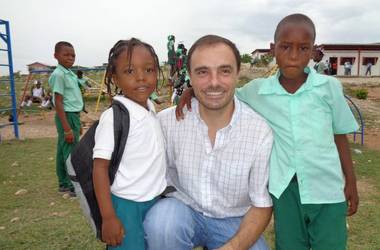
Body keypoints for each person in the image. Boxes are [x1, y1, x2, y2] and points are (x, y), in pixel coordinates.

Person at [177, 14, 359, 250]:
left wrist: (351, 182)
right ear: (273, 49)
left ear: (313, 51)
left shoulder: (329, 88)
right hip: (285, 191)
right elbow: (222, 92)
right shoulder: (257, 91)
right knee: (290, 245)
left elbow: (339, 135)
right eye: (285, 47)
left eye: (303, 48)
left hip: (327, 188)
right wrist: (192, 91)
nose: (294, 56)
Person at [144, 35, 273, 250]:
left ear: (237, 74)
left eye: (224, 71)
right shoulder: (166, 122)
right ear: (190, 77)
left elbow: (261, 204)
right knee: (162, 224)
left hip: (233, 220)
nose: (214, 82)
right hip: (182, 209)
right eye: (203, 72)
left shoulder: (259, 131)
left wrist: (231, 248)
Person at [92, 38, 167, 250]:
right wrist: (108, 217)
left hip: (155, 201)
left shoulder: (151, 109)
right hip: (125, 206)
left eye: (149, 69)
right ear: (114, 78)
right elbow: (99, 168)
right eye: (129, 71)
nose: (141, 77)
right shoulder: (114, 117)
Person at [48, 41, 86, 196]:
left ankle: (63, 183)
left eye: (73, 55)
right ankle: (72, 186)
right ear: (56, 56)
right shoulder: (58, 74)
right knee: (70, 151)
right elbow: (58, 102)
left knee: (62, 150)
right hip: (67, 115)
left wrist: (77, 122)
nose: (70, 58)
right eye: (66, 55)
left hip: (72, 115)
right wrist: (67, 128)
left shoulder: (68, 73)